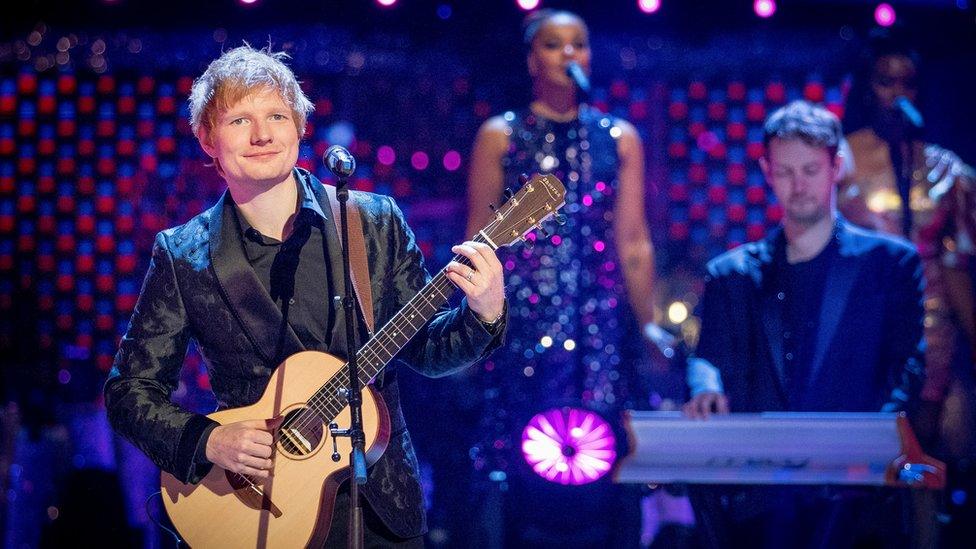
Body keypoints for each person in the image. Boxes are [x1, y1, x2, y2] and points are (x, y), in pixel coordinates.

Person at [103, 45, 507, 547]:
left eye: (277, 115)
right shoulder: (184, 253)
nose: (263, 134)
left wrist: (483, 316)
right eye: (239, 120)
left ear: (300, 128)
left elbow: (426, 349)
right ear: (207, 138)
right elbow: (129, 392)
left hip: (376, 502)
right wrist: (209, 440)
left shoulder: (372, 222)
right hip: (250, 506)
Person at [683, 100, 925, 547]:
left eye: (810, 170)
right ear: (766, 170)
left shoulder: (890, 265)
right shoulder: (731, 275)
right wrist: (704, 388)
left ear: (836, 167)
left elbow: (906, 367)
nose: (798, 186)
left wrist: (870, 443)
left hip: (854, 498)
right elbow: (708, 358)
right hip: (758, 501)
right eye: (785, 172)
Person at [464, 9, 656, 546]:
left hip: (599, 321)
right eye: (554, 45)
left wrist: (650, 324)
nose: (568, 55)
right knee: (520, 452)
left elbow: (633, 240)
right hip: (520, 319)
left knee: (599, 453)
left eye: (579, 44)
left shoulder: (619, 138)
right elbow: (479, 238)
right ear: (532, 59)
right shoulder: (501, 136)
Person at [838, 34, 976, 547]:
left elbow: (957, 264)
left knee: (923, 460)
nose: (897, 92)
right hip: (862, 330)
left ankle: (923, 537)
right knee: (867, 459)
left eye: (908, 83)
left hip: (933, 334)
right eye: (884, 81)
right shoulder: (838, 161)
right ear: (867, 86)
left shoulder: (945, 169)